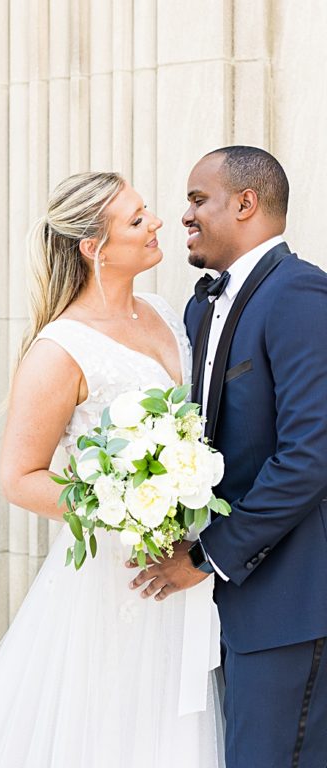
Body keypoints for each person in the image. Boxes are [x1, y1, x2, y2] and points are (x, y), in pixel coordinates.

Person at [0, 172, 221, 767]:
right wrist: (130, 503)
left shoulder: (163, 311)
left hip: (186, 563)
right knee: (111, 727)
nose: (157, 223)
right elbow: (20, 476)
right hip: (116, 574)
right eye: (137, 220)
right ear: (94, 247)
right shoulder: (60, 350)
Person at [131, 146, 327, 768]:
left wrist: (209, 556)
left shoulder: (300, 295)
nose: (184, 214)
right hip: (223, 607)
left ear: (245, 203)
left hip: (291, 603)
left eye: (197, 199)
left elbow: (310, 454)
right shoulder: (198, 306)